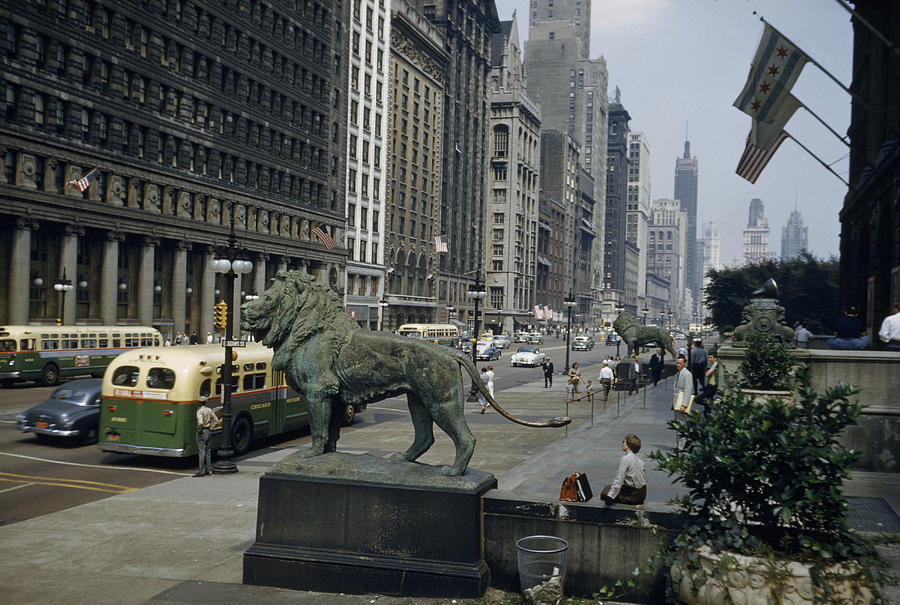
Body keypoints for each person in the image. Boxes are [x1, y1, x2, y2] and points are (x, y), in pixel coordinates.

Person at [601, 434, 647, 505]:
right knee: (608, 487)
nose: (622, 443)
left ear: (628, 444)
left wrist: (610, 497)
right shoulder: (640, 461)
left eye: (624, 441)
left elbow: (619, 480)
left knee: (605, 492)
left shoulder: (625, 459)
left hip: (633, 496)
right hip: (642, 494)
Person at [672, 355, 694, 449]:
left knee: (682, 426)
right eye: (677, 363)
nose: (678, 365)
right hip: (676, 403)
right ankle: (679, 445)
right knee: (678, 426)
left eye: (680, 363)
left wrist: (684, 404)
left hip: (681, 404)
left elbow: (688, 390)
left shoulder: (687, 374)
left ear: (685, 363)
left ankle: (682, 447)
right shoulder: (679, 373)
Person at [194, 396, 217, 477]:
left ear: (199, 403)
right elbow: (216, 420)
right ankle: (209, 470)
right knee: (208, 451)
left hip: (202, 431)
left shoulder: (200, 411)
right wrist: (211, 428)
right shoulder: (209, 410)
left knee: (201, 452)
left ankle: (201, 471)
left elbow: (200, 423)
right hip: (208, 431)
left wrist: (199, 430)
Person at [694, 351, 719, 416]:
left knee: (698, 399)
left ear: (715, 358)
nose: (709, 359)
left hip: (712, 386)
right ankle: (707, 416)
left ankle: (713, 403)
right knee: (707, 402)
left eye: (711, 357)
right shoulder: (714, 365)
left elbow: (707, 374)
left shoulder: (715, 364)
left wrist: (707, 369)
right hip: (710, 385)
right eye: (709, 358)